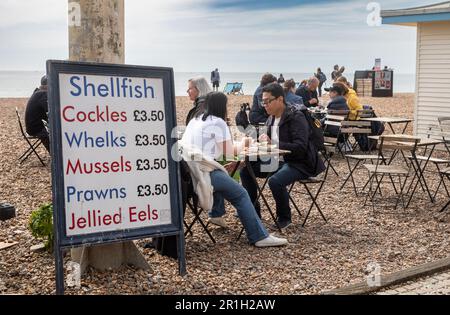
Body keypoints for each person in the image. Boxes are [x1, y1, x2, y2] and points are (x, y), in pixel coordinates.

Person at [180, 92, 288, 247]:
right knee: (241, 194)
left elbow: (220, 148)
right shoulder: (218, 122)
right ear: (221, 106)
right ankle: (259, 236)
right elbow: (230, 153)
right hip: (203, 173)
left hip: (188, 173)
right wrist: (246, 142)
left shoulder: (195, 120)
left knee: (224, 175)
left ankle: (216, 214)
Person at [240, 83, 325, 229]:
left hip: (301, 163)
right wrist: (259, 142)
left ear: (280, 99)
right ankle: (254, 212)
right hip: (279, 161)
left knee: (275, 181)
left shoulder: (295, 117)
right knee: (245, 171)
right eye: (263, 102)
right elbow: (269, 143)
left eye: (267, 101)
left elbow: (300, 147)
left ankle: (284, 218)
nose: (264, 105)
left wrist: (273, 143)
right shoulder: (271, 118)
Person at [25, 75, 50, 152]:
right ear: (47, 85)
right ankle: (54, 154)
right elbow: (49, 110)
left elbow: (45, 113)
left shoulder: (38, 92)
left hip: (31, 126)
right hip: (35, 129)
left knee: (51, 129)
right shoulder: (43, 94)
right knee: (54, 133)